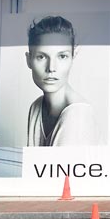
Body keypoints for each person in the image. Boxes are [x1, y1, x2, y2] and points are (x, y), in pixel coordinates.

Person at [26, 16, 97, 146]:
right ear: (28, 60)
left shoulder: (78, 115)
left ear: (73, 57)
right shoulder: (36, 107)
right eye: (41, 57)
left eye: (62, 56)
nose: (51, 68)